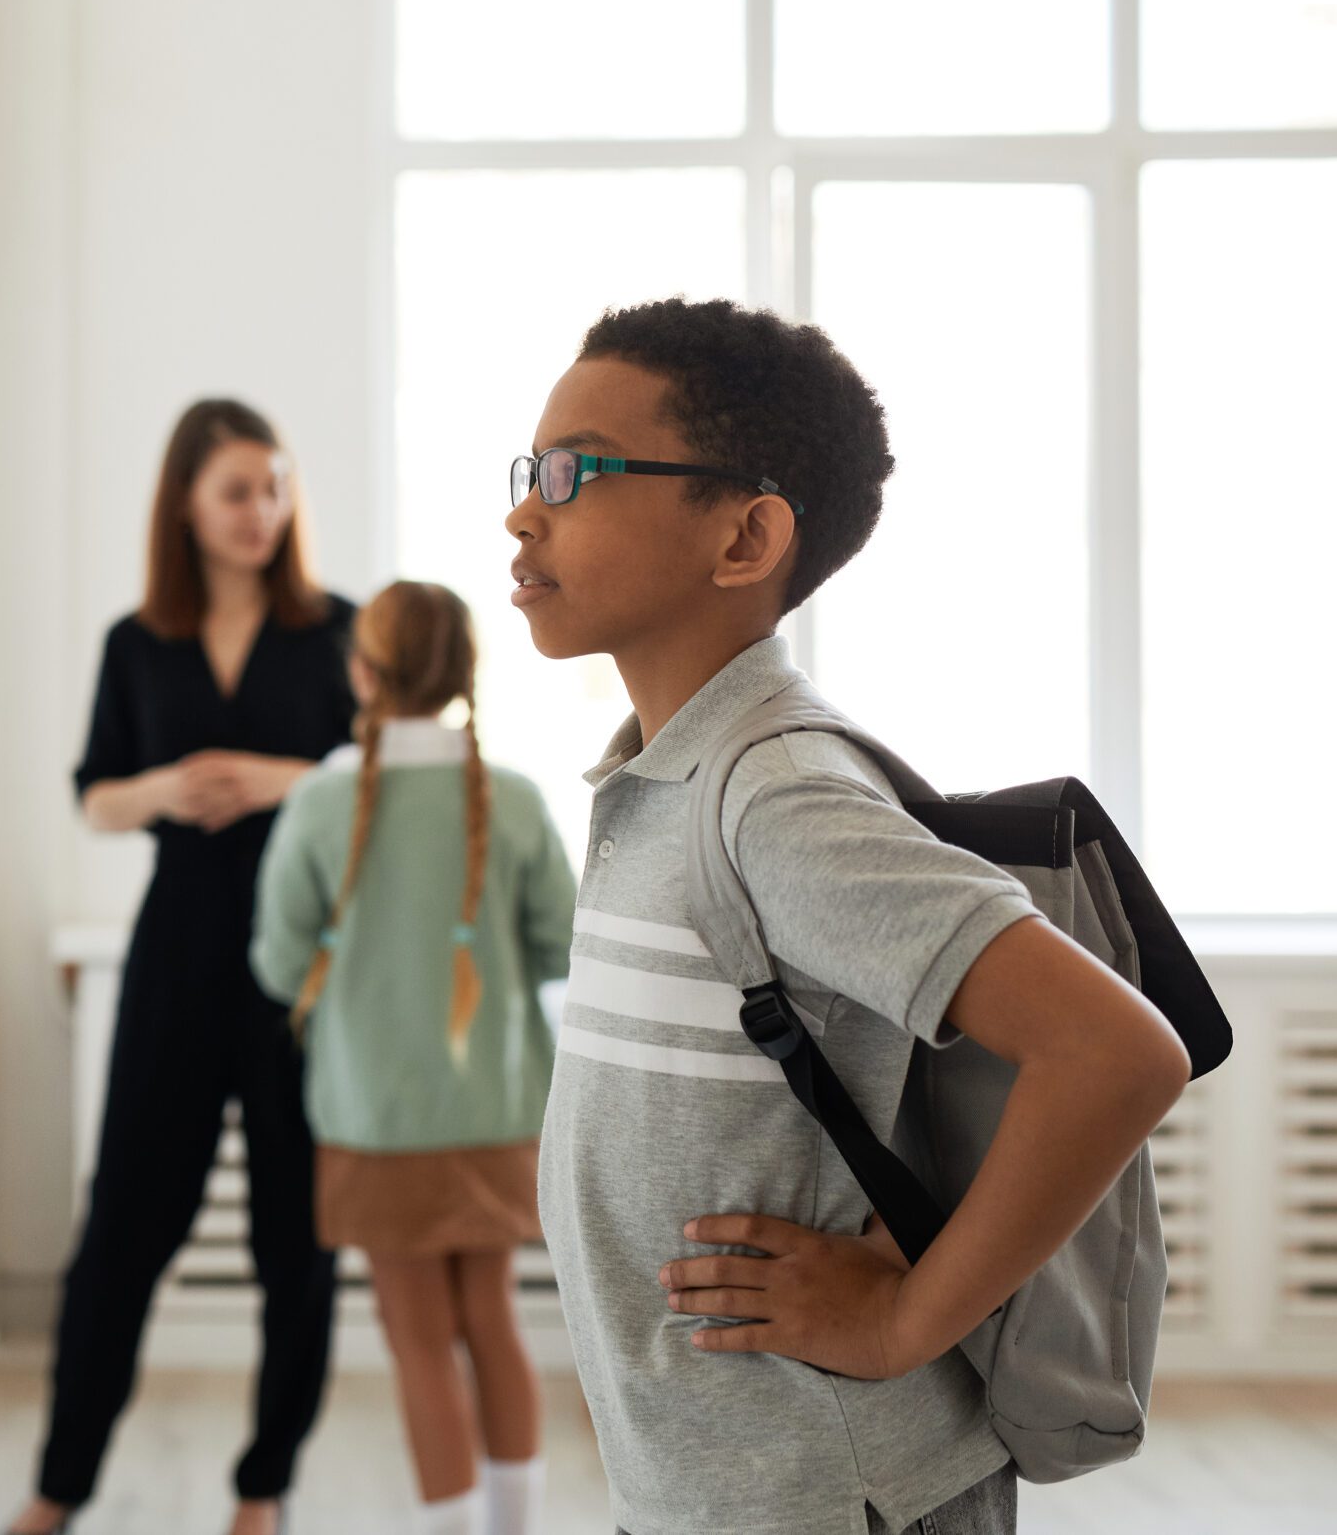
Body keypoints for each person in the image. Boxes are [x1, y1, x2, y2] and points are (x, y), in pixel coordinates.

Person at [505, 297, 1191, 1535]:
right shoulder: (663, 779)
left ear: (744, 534)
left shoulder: (773, 798)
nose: (523, 508)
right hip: (709, 1491)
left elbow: (1118, 1052)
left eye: (574, 471)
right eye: (528, 468)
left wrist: (902, 1321)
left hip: (831, 1498)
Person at [8, 398, 357, 1535]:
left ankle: (265, 1491)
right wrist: (167, 789)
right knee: (119, 1235)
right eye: (236, 491)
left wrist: (276, 780)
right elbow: (95, 799)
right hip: (174, 962)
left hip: (303, 969)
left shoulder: (341, 633)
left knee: (294, 1241)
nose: (261, 511)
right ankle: (57, 1490)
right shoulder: (136, 642)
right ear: (187, 508)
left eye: (274, 486)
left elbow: (386, 792)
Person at [252, 580, 575, 1535]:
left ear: (363, 670)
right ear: (465, 675)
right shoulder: (512, 799)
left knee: (419, 1339)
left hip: (373, 1116)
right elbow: (564, 942)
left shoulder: (317, 801)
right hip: (500, 1109)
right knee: (493, 1320)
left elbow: (277, 962)